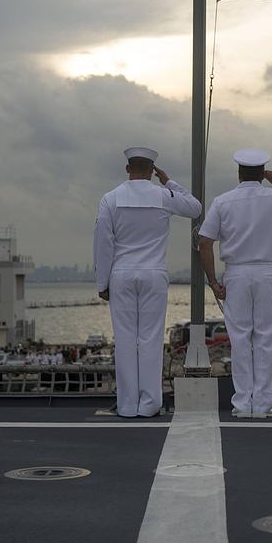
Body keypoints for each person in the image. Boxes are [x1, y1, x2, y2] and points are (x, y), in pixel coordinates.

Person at [198, 149, 272, 419]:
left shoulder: (223, 201)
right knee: (266, 340)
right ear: (263, 172)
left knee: (240, 340)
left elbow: (205, 242)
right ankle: (263, 405)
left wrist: (213, 281)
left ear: (239, 172)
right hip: (268, 273)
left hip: (236, 273)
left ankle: (242, 404)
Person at [94, 146, 201, 418]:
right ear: (152, 171)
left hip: (122, 273)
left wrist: (101, 283)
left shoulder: (110, 198)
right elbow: (195, 208)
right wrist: (169, 182)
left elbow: (103, 244)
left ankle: (128, 405)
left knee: (126, 339)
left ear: (128, 169)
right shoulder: (164, 195)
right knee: (151, 339)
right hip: (154, 273)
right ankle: (150, 403)